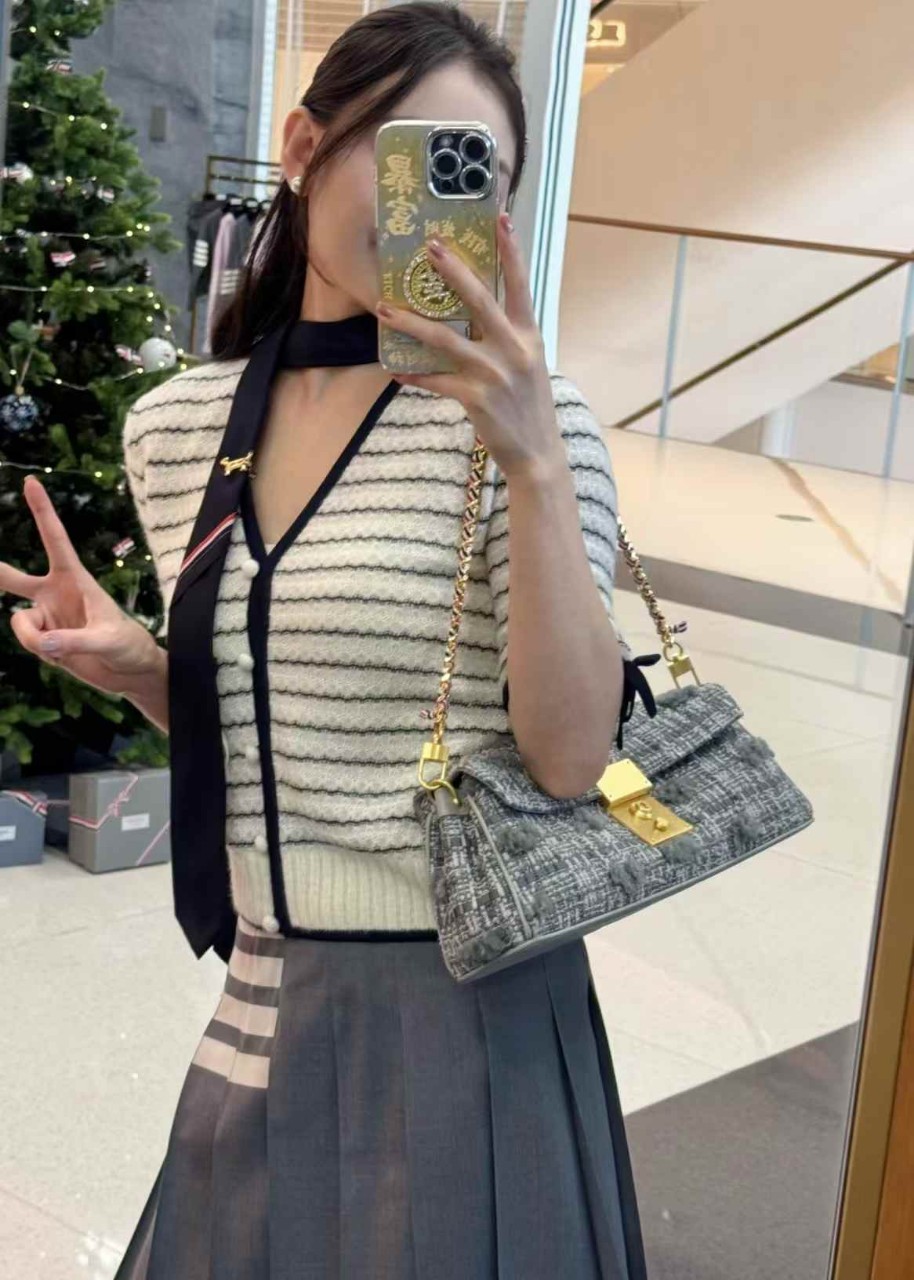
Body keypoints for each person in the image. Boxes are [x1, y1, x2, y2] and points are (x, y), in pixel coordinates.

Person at [0, 5, 649, 1276]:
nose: (434, 209)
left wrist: (528, 458)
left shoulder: (532, 423)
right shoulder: (177, 428)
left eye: (475, 175)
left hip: (476, 1011)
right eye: (412, 157)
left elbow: (571, 757)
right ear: (303, 146)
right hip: (266, 984)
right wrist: (147, 670)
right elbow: (276, 744)